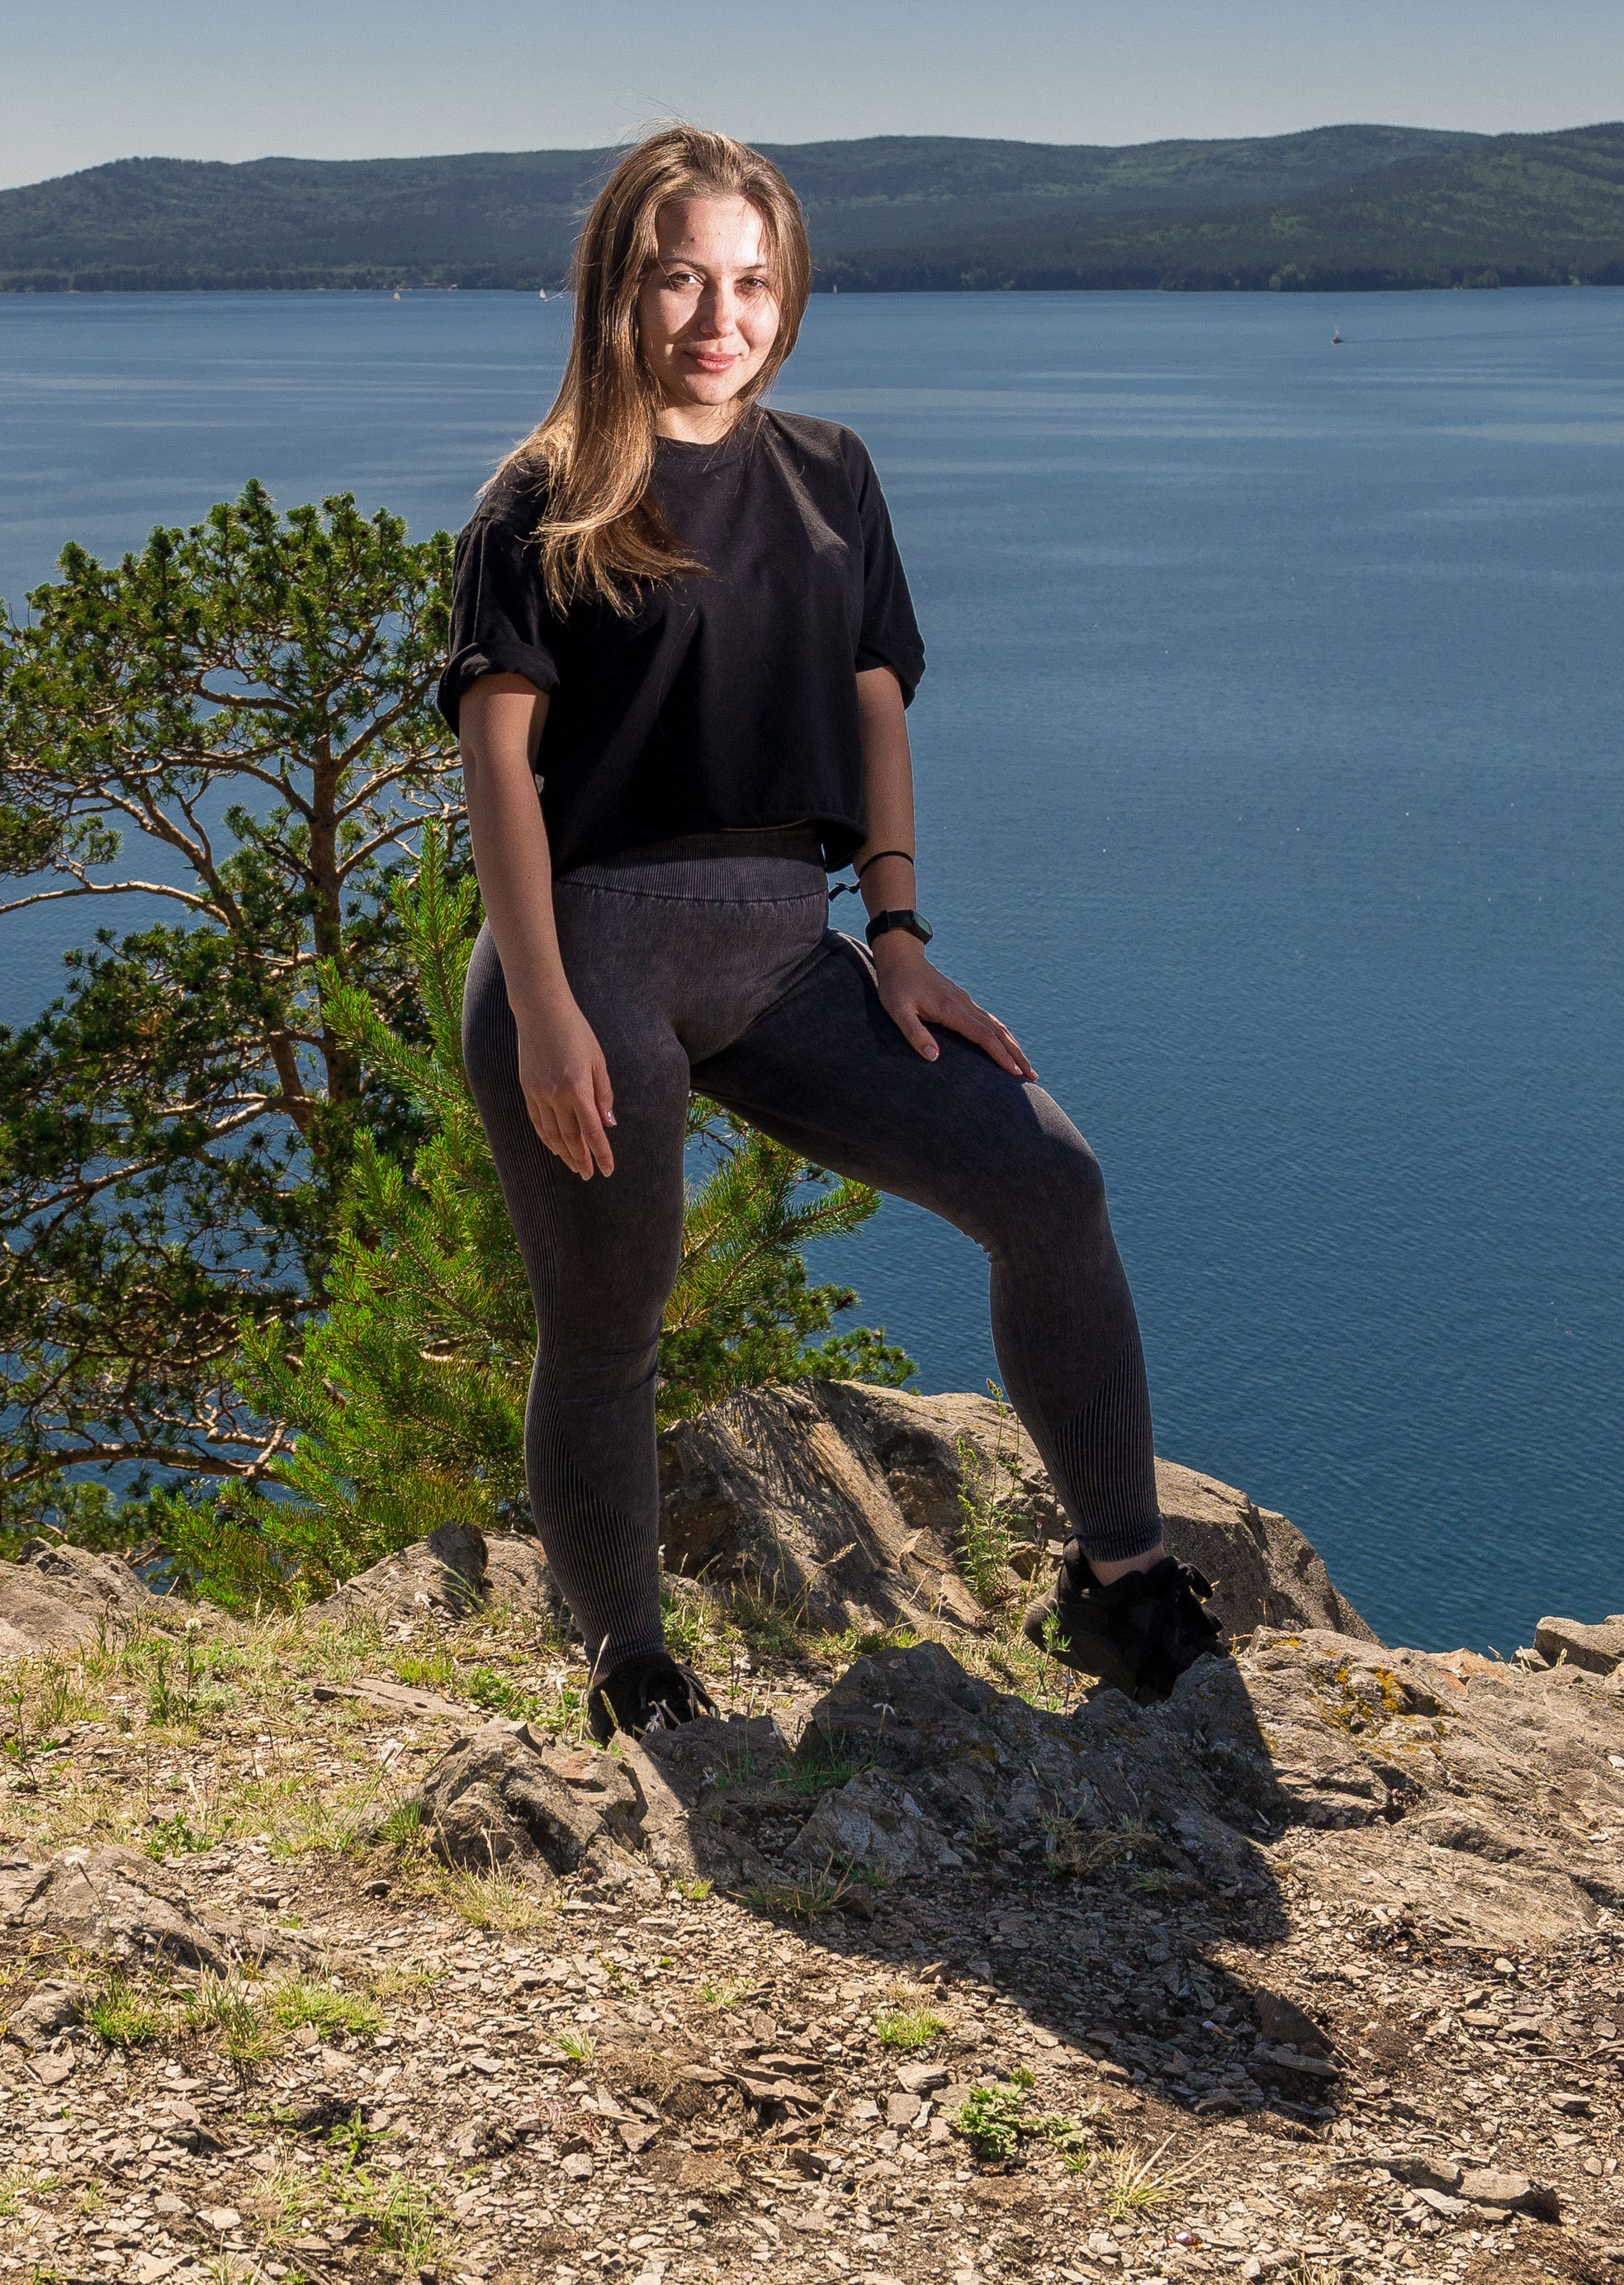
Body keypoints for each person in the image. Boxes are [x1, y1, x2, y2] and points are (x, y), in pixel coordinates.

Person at [438, 125, 1221, 1742]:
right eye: (678, 280)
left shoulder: (830, 472)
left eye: (749, 281)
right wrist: (541, 1010)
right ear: (616, 294)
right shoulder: (537, 503)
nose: (717, 316)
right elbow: (498, 768)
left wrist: (901, 932)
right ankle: (629, 1664)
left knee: (1047, 1182)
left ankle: (1124, 1586)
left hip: (787, 956)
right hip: (586, 960)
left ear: (784, 297)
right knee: (607, 1324)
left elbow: (873, 705)